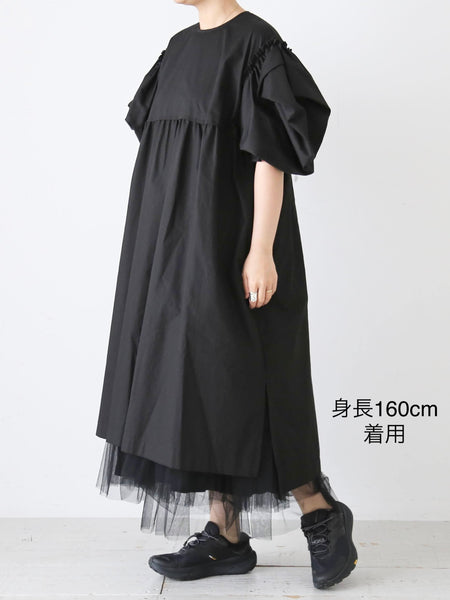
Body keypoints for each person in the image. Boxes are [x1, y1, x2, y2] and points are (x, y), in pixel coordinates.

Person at [95, 0, 358, 589]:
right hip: (171, 247)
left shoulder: (256, 43)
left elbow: (271, 155)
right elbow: (166, 155)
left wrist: (261, 249)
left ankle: (320, 512)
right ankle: (227, 536)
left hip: (232, 239)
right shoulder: (178, 49)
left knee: (251, 376)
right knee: (199, 382)